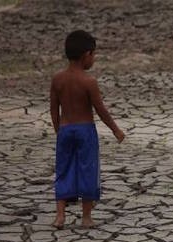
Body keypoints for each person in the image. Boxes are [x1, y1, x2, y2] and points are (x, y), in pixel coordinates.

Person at [49, 30, 125, 229]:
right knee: (88, 170)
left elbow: (53, 110)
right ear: (86, 55)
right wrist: (116, 130)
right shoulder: (88, 82)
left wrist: (59, 131)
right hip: (85, 131)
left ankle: (60, 217)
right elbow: (101, 110)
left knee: (63, 170)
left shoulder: (57, 79)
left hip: (65, 130)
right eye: (94, 54)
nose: (94, 59)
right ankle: (86, 217)